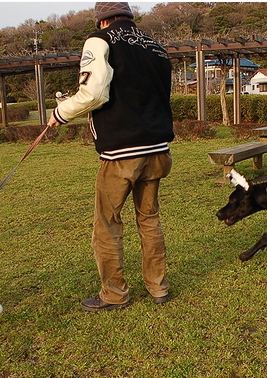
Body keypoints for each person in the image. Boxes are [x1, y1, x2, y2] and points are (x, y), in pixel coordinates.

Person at [47, 2, 174, 311]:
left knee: (107, 224)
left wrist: (60, 113)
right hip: (158, 148)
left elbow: (94, 93)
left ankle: (115, 294)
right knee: (149, 219)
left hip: (121, 152)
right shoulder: (156, 47)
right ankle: (158, 287)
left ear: (101, 20)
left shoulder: (99, 40)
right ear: (128, 16)